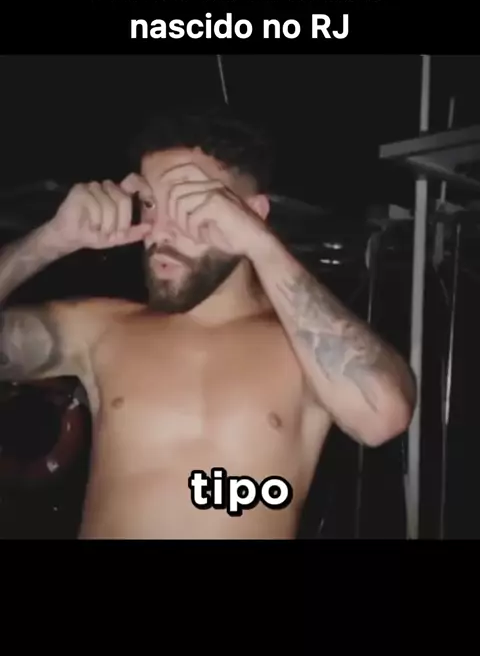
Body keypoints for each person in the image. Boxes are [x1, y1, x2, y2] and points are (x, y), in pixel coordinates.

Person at [0, 108, 416, 539]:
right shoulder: (101, 328)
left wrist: (261, 245)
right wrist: (49, 240)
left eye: (189, 203)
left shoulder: (300, 347)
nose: (159, 231)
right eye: (151, 205)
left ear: (251, 213)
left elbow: (382, 417)